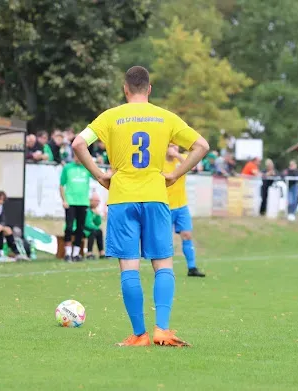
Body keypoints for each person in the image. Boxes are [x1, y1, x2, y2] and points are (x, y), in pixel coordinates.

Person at [72, 66, 209, 347]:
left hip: (123, 198)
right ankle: (163, 330)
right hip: (157, 197)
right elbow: (201, 145)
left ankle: (139, 334)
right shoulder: (165, 117)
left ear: (125, 89)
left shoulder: (111, 116)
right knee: (163, 265)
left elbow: (78, 143)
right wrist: (175, 174)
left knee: (130, 267)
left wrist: (100, 175)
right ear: (149, 89)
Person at [163, 144, 205, 277]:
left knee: (187, 235)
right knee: (166, 239)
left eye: (175, 146)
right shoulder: (159, 162)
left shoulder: (182, 158)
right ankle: (165, 269)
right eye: (170, 146)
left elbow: (193, 167)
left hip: (182, 205)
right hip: (165, 206)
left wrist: (177, 156)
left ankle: (191, 267)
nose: (173, 148)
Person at [60, 154, 92, 262]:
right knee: (69, 227)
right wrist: (64, 200)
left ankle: (76, 253)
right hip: (71, 202)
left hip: (83, 202)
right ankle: (67, 253)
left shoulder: (87, 168)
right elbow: (61, 185)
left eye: (80, 156)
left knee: (80, 228)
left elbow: (98, 176)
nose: (78, 158)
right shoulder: (67, 168)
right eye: (77, 156)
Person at [84, 192, 105, 260]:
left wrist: (97, 215)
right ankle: (89, 253)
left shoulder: (93, 210)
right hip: (79, 228)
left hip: (87, 228)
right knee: (93, 231)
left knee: (99, 231)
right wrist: (96, 228)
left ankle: (101, 253)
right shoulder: (86, 209)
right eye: (96, 201)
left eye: (98, 201)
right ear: (90, 200)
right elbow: (87, 224)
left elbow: (97, 223)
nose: (97, 203)